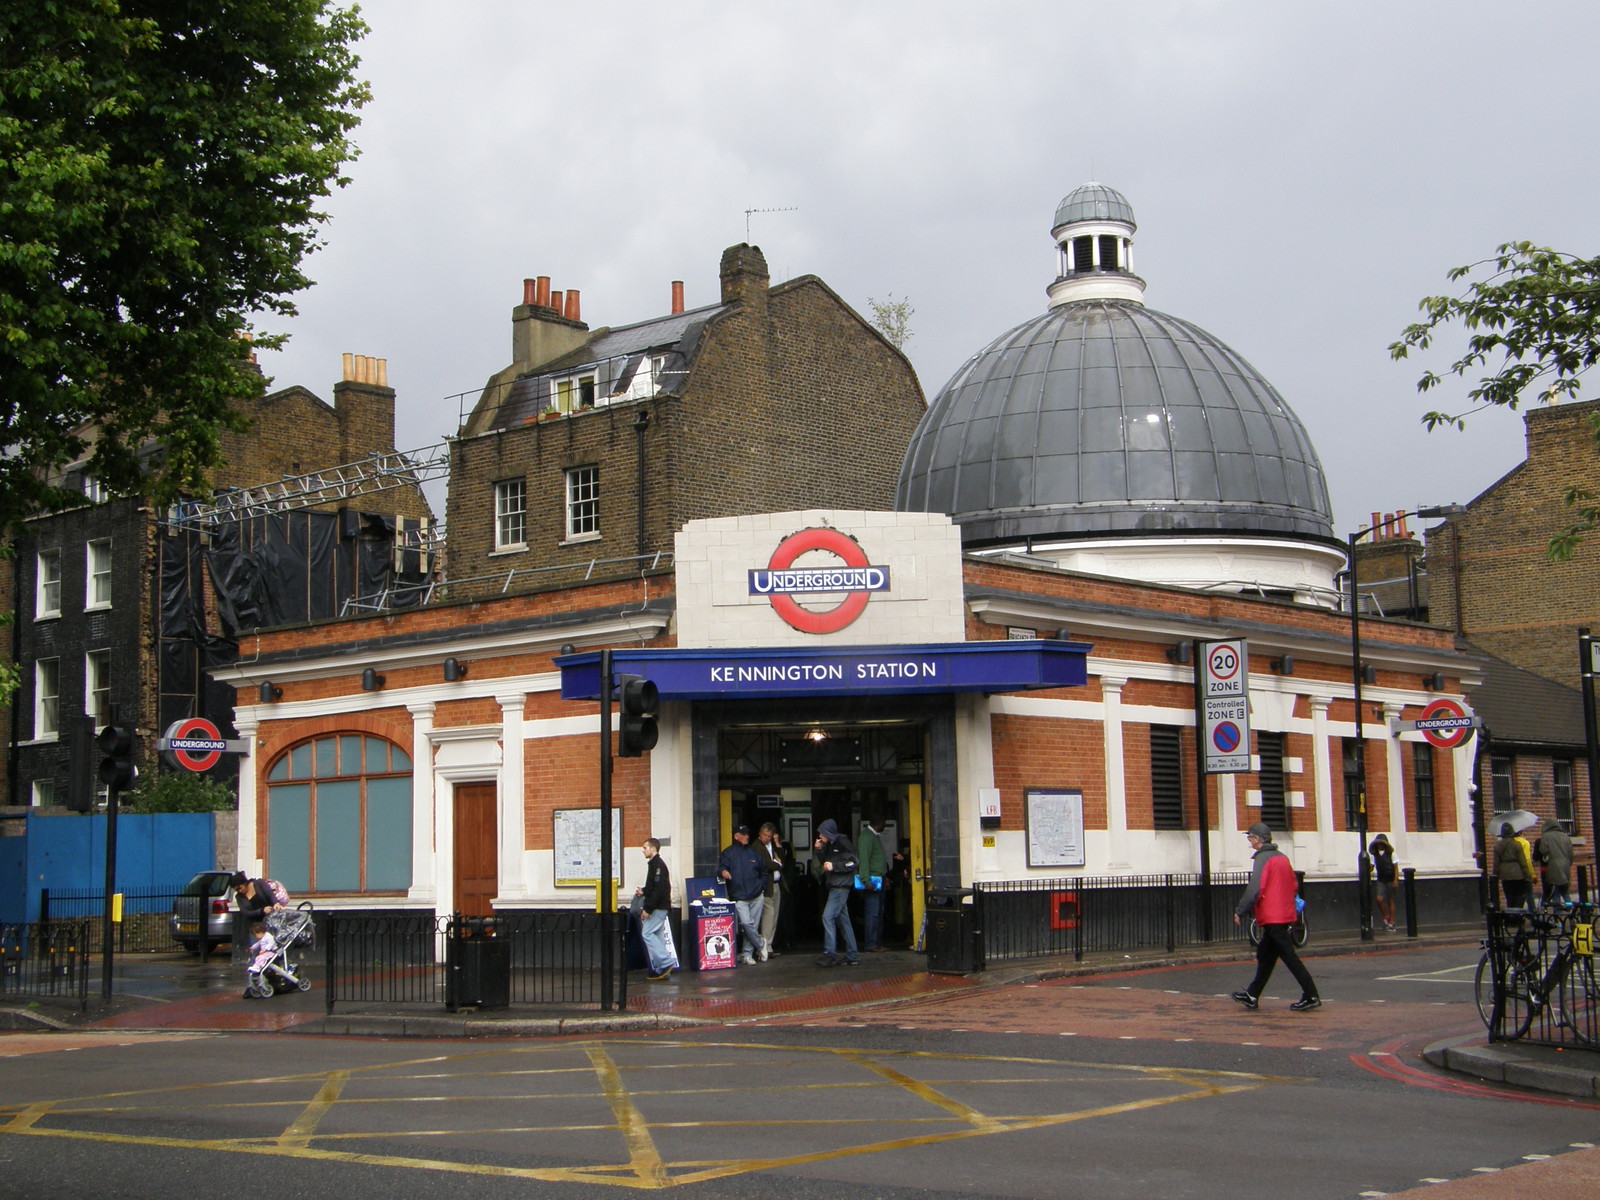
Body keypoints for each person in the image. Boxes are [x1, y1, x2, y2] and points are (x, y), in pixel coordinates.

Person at [1232, 823, 1320, 1012]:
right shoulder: (1282, 857)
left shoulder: (1263, 858)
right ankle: (1252, 995)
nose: (1250, 842)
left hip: (1273, 916)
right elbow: (1293, 885)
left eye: (1251, 838)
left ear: (1257, 839)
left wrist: (1240, 911)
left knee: (1289, 957)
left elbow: (1255, 888)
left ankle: (1311, 995)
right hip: (1283, 913)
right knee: (1265, 955)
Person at [718, 824, 768, 964]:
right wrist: (723, 872)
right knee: (746, 924)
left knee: (752, 925)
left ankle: (747, 954)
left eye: (747, 834)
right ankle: (760, 944)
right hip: (739, 896)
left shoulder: (753, 853)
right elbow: (721, 867)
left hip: (757, 895)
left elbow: (764, 871)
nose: (747, 836)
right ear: (736, 836)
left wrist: (761, 886)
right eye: (744, 834)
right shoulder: (728, 853)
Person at [814, 818, 860, 967]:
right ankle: (853, 954)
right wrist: (820, 850)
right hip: (836, 886)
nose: (820, 836)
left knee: (827, 917)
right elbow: (825, 863)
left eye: (821, 833)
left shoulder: (842, 843)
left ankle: (830, 954)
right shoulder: (832, 844)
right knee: (844, 921)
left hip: (840, 887)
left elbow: (853, 862)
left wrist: (834, 866)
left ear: (828, 833)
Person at [636, 838, 678, 980]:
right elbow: (654, 886)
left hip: (658, 907)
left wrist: (647, 908)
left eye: (645, 847)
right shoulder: (655, 865)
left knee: (647, 933)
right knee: (658, 936)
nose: (643, 850)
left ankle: (666, 962)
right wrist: (644, 890)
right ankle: (661, 969)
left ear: (653, 849)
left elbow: (658, 890)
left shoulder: (658, 865)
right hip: (660, 906)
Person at [857, 815, 890, 952]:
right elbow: (864, 859)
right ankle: (871, 944)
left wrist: (885, 877)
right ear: (880, 823)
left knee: (878, 913)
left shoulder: (873, 836)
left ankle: (876, 943)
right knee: (873, 913)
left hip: (879, 879)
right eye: (884, 824)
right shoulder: (867, 837)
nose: (885, 827)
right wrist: (866, 880)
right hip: (872, 881)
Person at [756, 822, 789, 956]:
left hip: (776, 884)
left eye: (770, 836)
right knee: (768, 917)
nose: (766, 838)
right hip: (767, 886)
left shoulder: (772, 845)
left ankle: (768, 946)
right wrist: (778, 863)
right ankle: (763, 947)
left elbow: (783, 860)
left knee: (774, 916)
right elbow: (767, 865)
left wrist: (777, 843)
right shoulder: (757, 846)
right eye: (764, 835)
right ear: (760, 833)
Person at [1494, 822, 1535, 909]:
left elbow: (1496, 863)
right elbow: (1523, 862)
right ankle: (1517, 916)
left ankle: (1510, 916)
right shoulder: (1517, 845)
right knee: (1519, 896)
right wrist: (1528, 876)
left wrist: (1496, 875)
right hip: (1518, 874)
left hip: (1505, 875)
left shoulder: (1497, 846)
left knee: (1509, 897)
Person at [1537, 819, 1574, 906]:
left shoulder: (1546, 836)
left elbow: (1543, 850)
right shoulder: (1565, 836)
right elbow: (1571, 854)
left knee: (1555, 892)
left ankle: (1556, 914)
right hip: (1566, 866)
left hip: (1553, 867)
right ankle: (1571, 910)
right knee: (1565, 892)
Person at [1369, 833, 1398, 932]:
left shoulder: (1392, 854)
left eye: (1381, 844)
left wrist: (1395, 880)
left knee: (1391, 900)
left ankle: (1392, 922)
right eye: (1378, 844)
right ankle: (1386, 916)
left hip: (1390, 878)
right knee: (1379, 899)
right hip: (1381, 879)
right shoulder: (1374, 855)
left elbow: (1395, 867)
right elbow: (1372, 867)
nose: (1380, 845)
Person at [244, 920, 277, 998]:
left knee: (261, 957)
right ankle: (256, 967)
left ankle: (257, 967)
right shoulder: (262, 938)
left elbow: (271, 943)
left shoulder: (268, 936)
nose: (256, 937)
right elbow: (258, 944)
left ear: (261, 932)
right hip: (265, 952)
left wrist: (265, 949)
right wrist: (253, 947)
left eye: (256, 935)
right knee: (258, 957)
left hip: (270, 952)